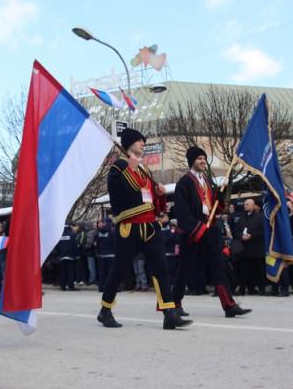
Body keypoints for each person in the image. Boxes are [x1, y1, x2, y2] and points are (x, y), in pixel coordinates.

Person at [97, 128, 191, 330]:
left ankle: (169, 313)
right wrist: (131, 169)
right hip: (129, 225)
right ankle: (105, 309)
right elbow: (123, 191)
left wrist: (159, 193)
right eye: (140, 141)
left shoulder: (144, 169)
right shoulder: (118, 167)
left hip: (150, 224)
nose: (143, 144)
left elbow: (151, 202)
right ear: (129, 143)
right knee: (120, 269)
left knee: (161, 269)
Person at [172, 146, 250, 317]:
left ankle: (229, 305)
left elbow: (213, 206)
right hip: (192, 233)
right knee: (185, 269)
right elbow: (183, 213)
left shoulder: (206, 180)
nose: (203, 161)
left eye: (204, 158)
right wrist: (198, 229)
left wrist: (219, 200)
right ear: (192, 160)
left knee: (218, 267)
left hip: (210, 229)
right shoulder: (184, 182)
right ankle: (175, 304)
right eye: (200, 158)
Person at [234, 198, 266, 295]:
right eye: (244, 204)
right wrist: (241, 236)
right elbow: (236, 231)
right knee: (244, 271)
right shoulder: (242, 217)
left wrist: (251, 235)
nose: (245, 206)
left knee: (259, 270)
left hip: (256, 248)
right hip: (244, 249)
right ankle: (244, 289)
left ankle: (261, 289)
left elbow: (263, 231)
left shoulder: (260, 217)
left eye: (247, 204)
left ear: (253, 205)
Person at [95, 219, 116, 293]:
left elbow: (97, 243)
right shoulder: (112, 231)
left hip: (102, 255)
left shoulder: (99, 232)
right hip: (111, 255)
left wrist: (98, 252)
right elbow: (114, 243)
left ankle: (101, 287)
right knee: (111, 272)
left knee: (102, 272)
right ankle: (110, 287)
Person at [56, 224, 78, 291]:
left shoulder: (60, 235)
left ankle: (63, 286)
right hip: (70, 256)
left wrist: (59, 254)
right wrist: (75, 254)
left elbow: (57, 246)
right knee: (70, 272)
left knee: (63, 272)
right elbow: (74, 245)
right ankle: (71, 286)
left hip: (62, 256)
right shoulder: (73, 235)